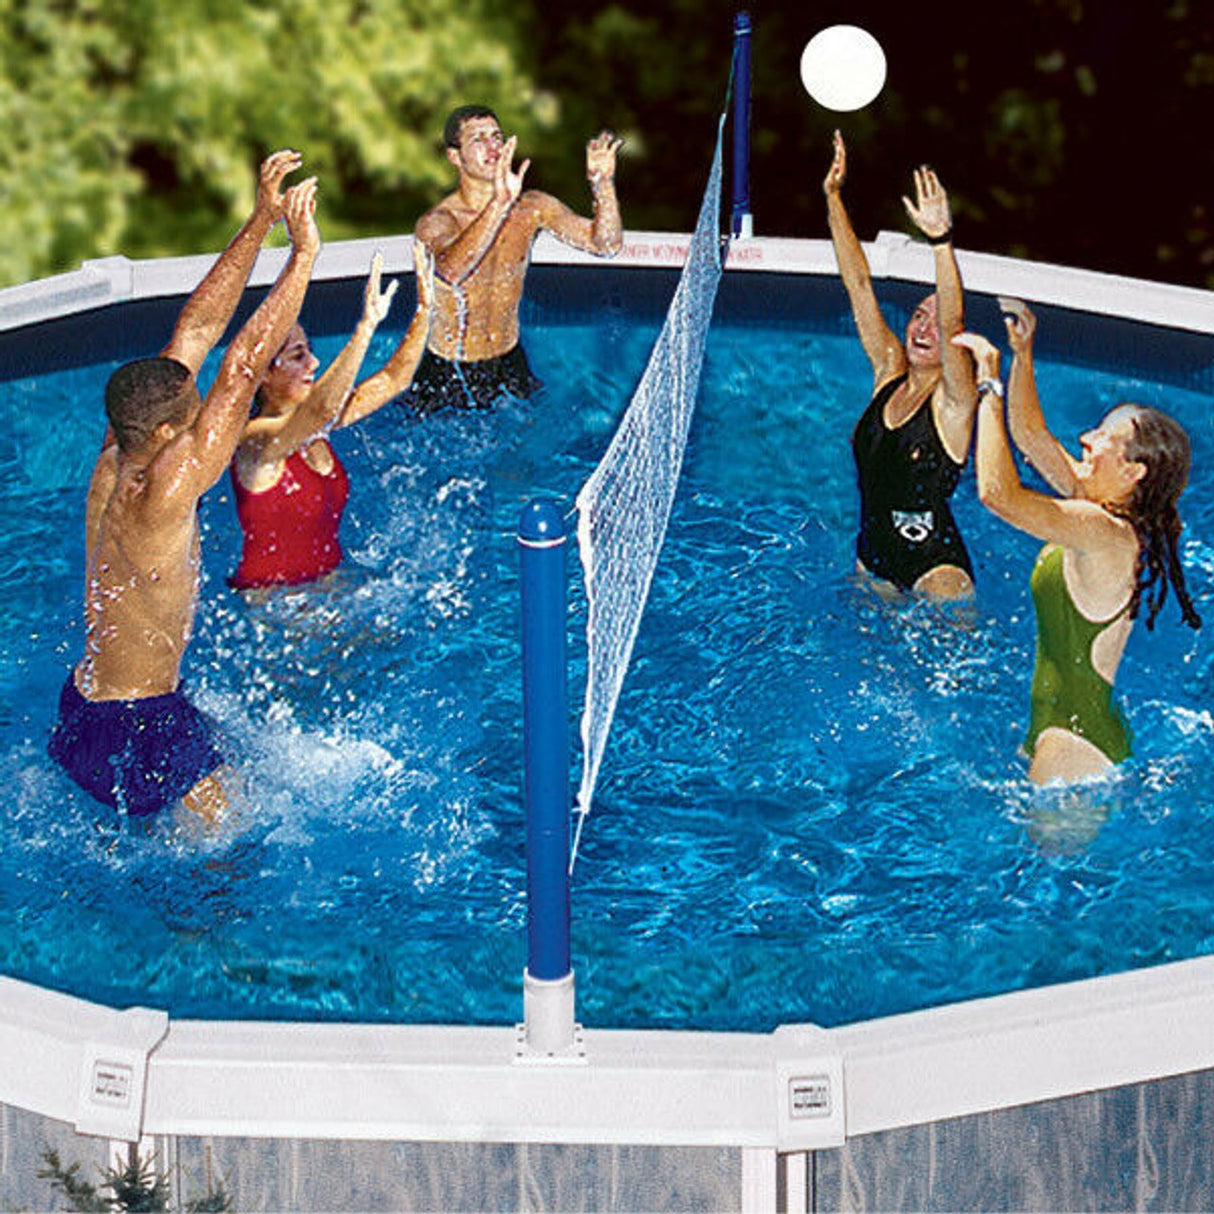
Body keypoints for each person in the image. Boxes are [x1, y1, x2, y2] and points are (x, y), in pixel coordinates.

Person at [48, 153, 322, 825]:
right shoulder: (167, 487)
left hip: (84, 702)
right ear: (170, 432)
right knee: (228, 860)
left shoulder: (117, 451)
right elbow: (242, 367)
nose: (206, 418)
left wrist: (261, 219)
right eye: (194, 417)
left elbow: (196, 331)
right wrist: (303, 257)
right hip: (140, 722)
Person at [954, 299, 1201, 784]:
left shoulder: (1104, 533)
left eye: (1104, 436)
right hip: (1059, 729)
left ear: (1132, 471)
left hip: (1077, 745)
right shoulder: (1096, 507)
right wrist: (1023, 354)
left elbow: (997, 495)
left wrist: (989, 385)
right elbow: (1030, 435)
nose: (1086, 437)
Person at [823, 130, 977, 600]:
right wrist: (833, 198)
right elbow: (858, 286)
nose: (924, 328)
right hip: (872, 562)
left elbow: (952, 321)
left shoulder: (955, 400)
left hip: (936, 572)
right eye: (917, 316)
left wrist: (940, 241)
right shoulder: (889, 371)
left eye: (935, 322)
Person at [228, 241, 434, 590]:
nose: (314, 363)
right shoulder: (254, 441)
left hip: (330, 588)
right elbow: (320, 409)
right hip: (273, 604)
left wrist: (425, 310)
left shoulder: (318, 427)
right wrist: (365, 328)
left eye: (309, 352)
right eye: (298, 356)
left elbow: (394, 380)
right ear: (263, 375)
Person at [409, 103, 623, 413]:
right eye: (478, 139)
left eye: (496, 137)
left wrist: (602, 184)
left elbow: (606, 245)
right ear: (455, 156)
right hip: (450, 369)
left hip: (509, 361)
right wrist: (499, 204)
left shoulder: (531, 208)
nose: (492, 147)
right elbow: (450, 271)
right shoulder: (439, 222)